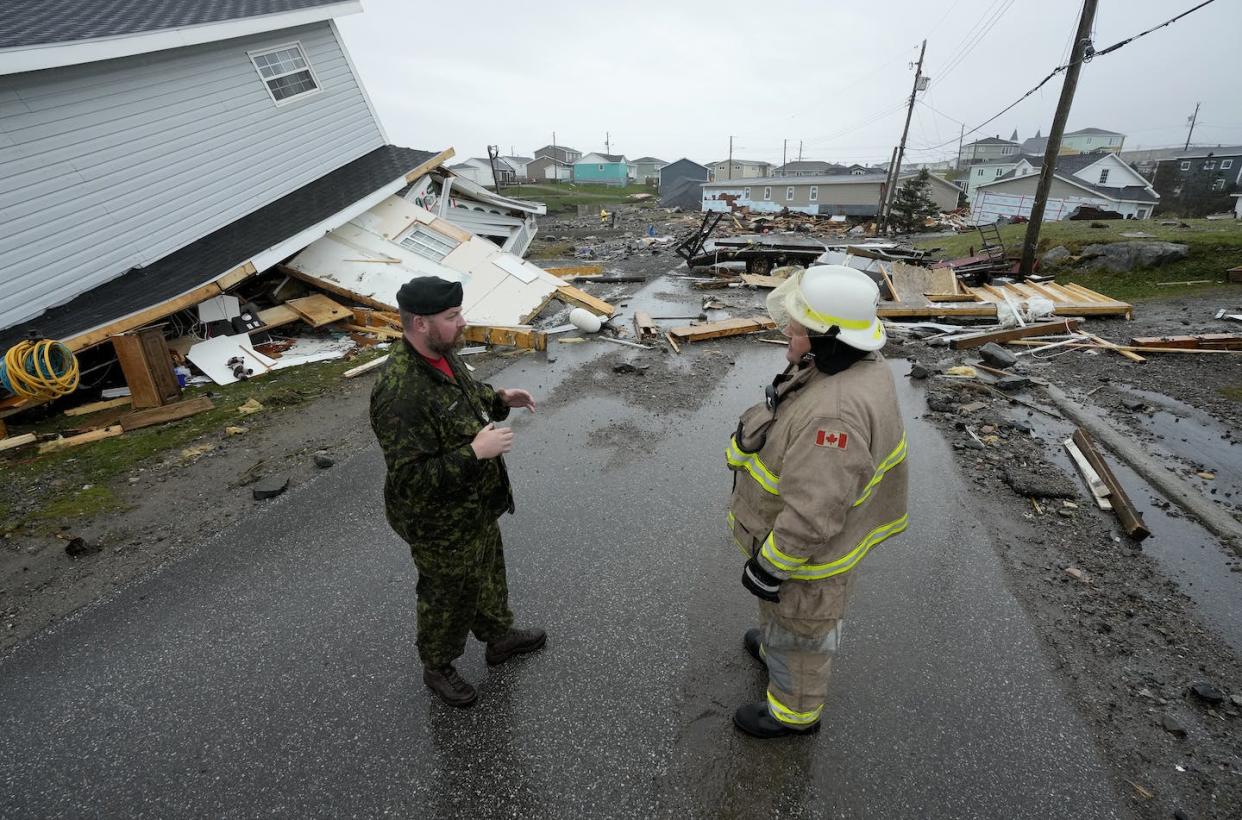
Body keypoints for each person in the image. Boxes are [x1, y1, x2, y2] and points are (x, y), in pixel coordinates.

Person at [725, 265, 909, 738]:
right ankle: (772, 648)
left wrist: (771, 565)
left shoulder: (835, 415)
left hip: (806, 558)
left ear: (828, 337)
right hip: (791, 548)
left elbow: (814, 512)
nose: (788, 330)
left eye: (799, 325)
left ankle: (794, 713)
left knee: (801, 631)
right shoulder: (846, 362)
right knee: (782, 615)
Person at [370, 276, 545, 708]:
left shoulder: (443, 356)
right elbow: (409, 479)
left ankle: (498, 638)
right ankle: (438, 665)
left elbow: (466, 397)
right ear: (419, 324)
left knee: (487, 573)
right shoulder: (399, 391)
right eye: (451, 317)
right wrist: (474, 453)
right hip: (438, 523)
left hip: (475, 506)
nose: (462, 323)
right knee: (447, 593)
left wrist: (501, 398)